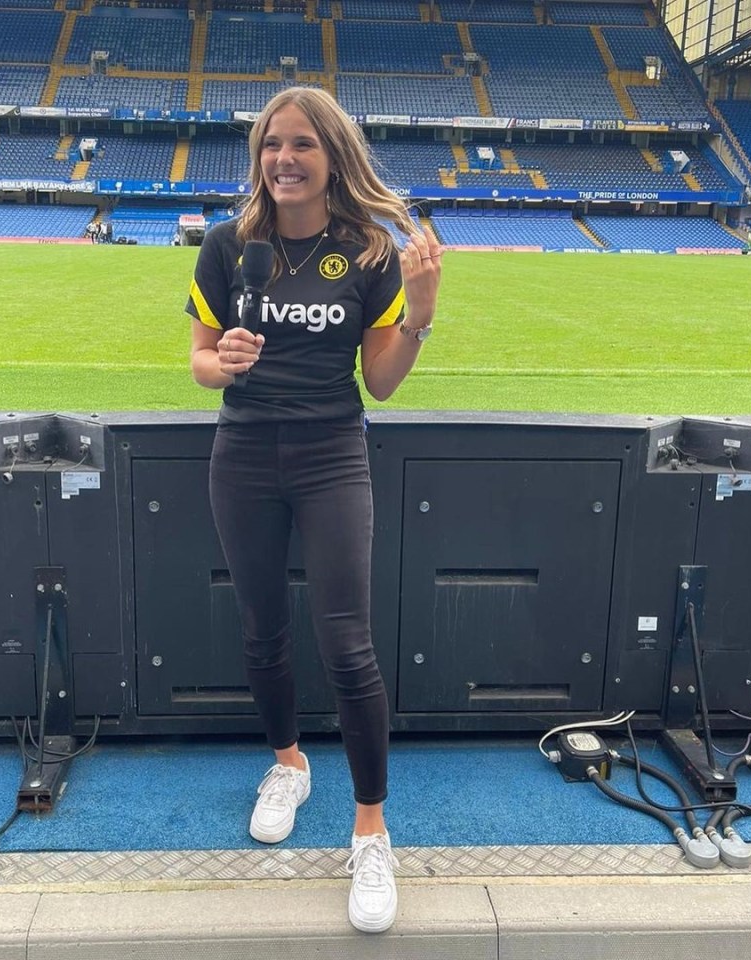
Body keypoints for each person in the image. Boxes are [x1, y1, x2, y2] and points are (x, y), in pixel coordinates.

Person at [185, 86, 442, 934]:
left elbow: (383, 382)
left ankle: (371, 829)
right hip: (244, 455)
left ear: (334, 155)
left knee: (348, 644)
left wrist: (424, 314)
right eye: (269, 145)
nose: (282, 159)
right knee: (261, 627)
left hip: (334, 456)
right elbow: (196, 362)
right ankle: (288, 763)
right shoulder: (228, 247)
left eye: (300, 144)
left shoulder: (369, 253)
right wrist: (220, 360)